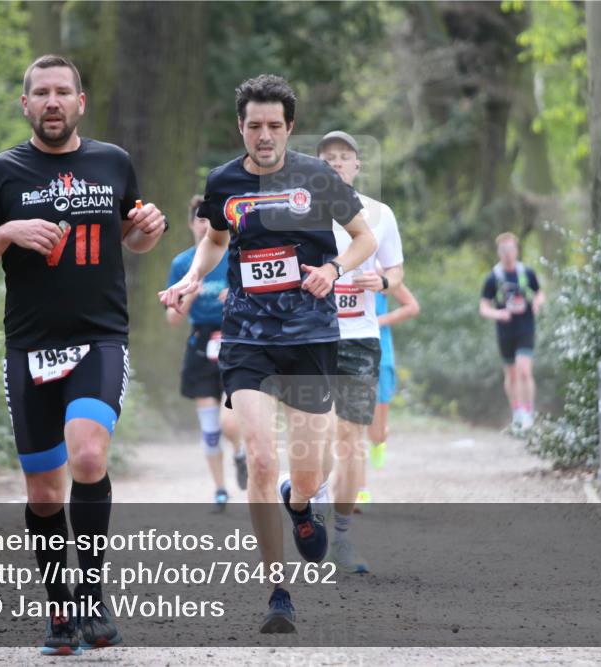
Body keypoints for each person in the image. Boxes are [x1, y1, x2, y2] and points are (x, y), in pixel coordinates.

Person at [0, 54, 167, 655]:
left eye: (62, 92)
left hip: (100, 338)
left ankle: (92, 598)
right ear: (25, 105)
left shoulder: (112, 162)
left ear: (80, 102)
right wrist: (6, 232)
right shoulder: (1, 172)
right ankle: (60, 611)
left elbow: (133, 236)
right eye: (41, 93)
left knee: (88, 454)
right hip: (29, 348)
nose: (52, 102)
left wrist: (149, 227)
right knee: (45, 494)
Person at [159, 74, 376, 634]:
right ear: (241, 126)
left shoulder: (317, 176)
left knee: (310, 470)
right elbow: (214, 240)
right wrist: (191, 278)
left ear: (289, 127)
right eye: (254, 125)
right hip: (247, 336)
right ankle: (278, 592)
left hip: (310, 335)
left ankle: (300, 504)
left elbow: (364, 238)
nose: (264, 135)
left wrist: (333, 269)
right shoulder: (223, 182)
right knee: (260, 458)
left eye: (274, 126)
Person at [314, 131, 404, 574]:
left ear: (357, 165)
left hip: (361, 337)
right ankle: (310, 507)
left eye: (344, 157)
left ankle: (342, 538)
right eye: (328, 157)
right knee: (320, 435)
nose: (336, 163)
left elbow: (396, 270)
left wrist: (382, 282)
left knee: (350, 440)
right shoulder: (299, 212)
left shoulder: (380, 214)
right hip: (311, 335)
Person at [165, 195, 247, 509]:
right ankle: (220, 490)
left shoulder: (234, 256)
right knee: (211, 430)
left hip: (234, 340)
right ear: (190, 224)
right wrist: (189, 295)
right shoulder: (182, 264)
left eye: (209, 220)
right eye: (199, 220)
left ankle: (240, 453)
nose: (203, 226)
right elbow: (172, 319)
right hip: (200, 344)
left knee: (229, 423)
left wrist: (235, 297)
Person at [479, 232, 545, 430]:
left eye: (510, 249)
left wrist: (537, 303)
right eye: (503, 250)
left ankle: (528, 413)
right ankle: (517, 412)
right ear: (499, 252)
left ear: (516, 250)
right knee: (512, 373)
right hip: (505, 331)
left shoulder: (527, 273)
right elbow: (483, 307)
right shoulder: (493, 278)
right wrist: (498, 314)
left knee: (524, 370)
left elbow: (539, 293)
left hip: (526, 327)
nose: (507, 253)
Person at [365, 284, 420, 477]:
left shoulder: (381, 275)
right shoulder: (336, 271)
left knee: (377, 432)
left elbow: (412, 307)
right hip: (346, 351)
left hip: (380, 353)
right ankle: (359, 485)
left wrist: (377, 321)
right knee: (348, 426)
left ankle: (377, 441)